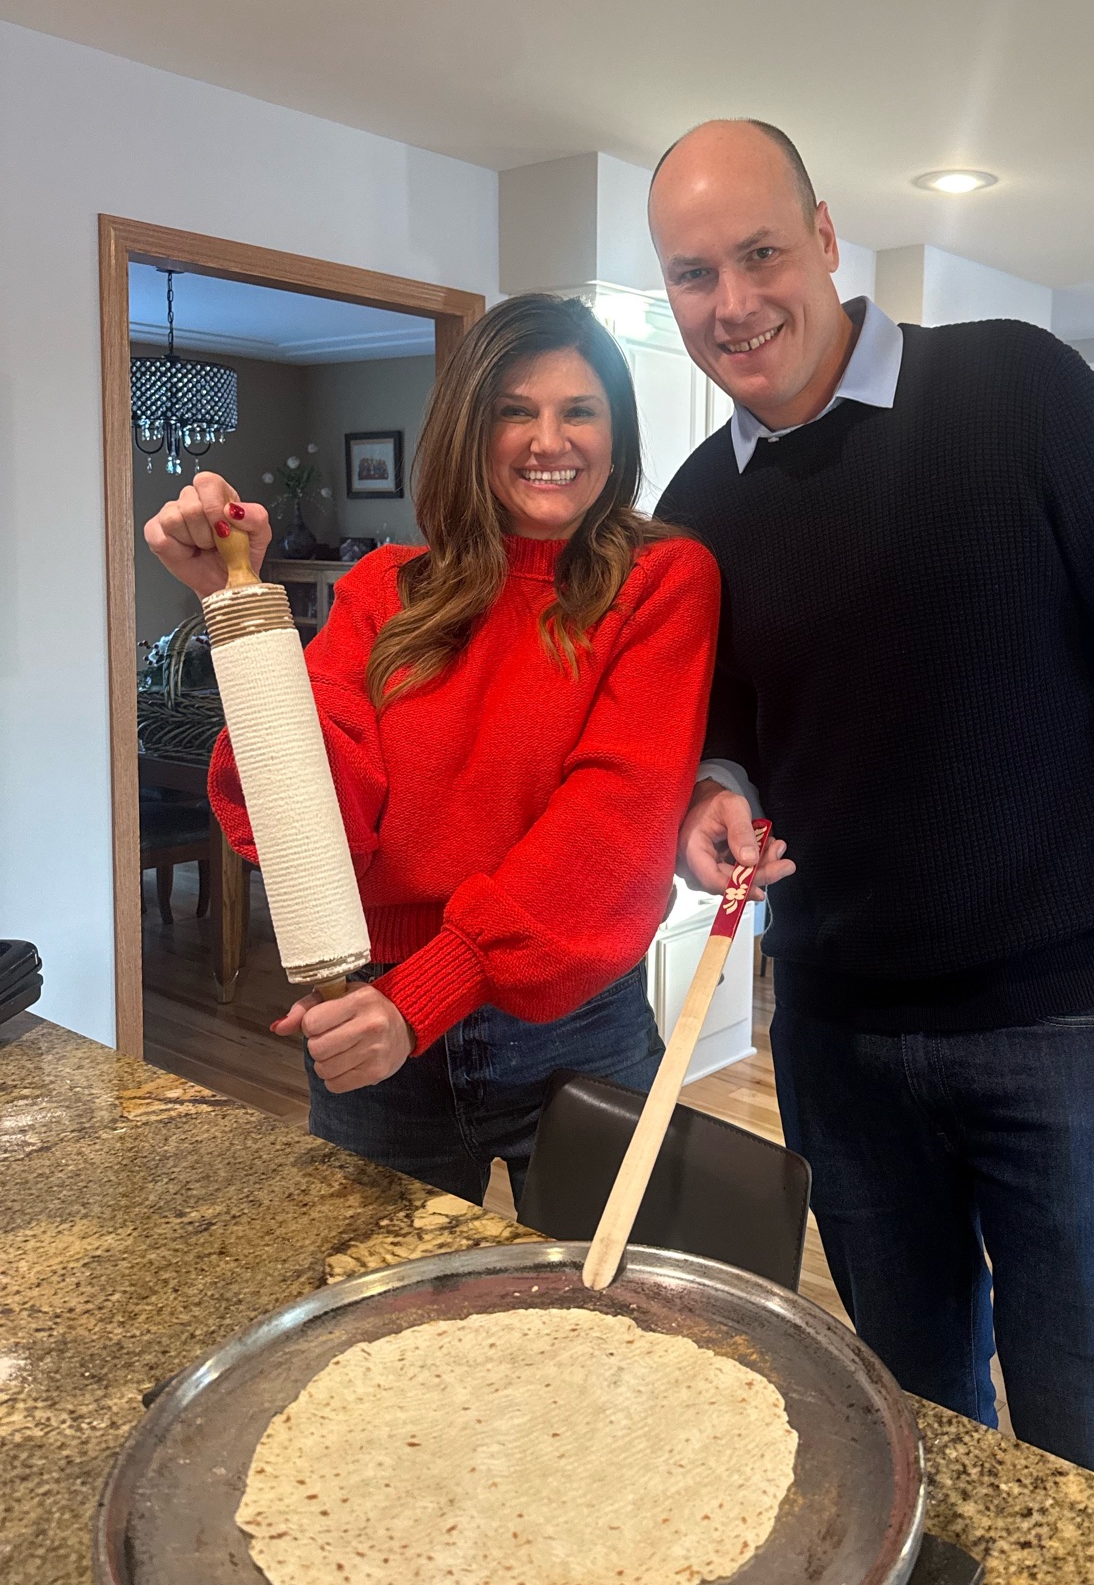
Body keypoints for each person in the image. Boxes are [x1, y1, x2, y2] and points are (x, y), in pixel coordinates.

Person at [650, 119, 1094, 1505]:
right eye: (694, 274)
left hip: (1064, 1025)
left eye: (761, 254)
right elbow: (728, 719)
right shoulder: (697, 504)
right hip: (838, 1036)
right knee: (917, 1426)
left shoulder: (1017, 386)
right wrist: (716, 785)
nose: (734, 302)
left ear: (828, 237)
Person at [144, 293, 725, 1210]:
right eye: (514, 412)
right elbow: (313, 813)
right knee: (378, 1294)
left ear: (616, 437)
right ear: (469, 433)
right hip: (371, 1026)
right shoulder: (384, 589)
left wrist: (422, 996)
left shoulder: (663, 583)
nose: (549, 440)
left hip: (573, 1026)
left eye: (579, 411)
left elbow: (610, 824)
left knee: (598, 1298)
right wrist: (236, 602)